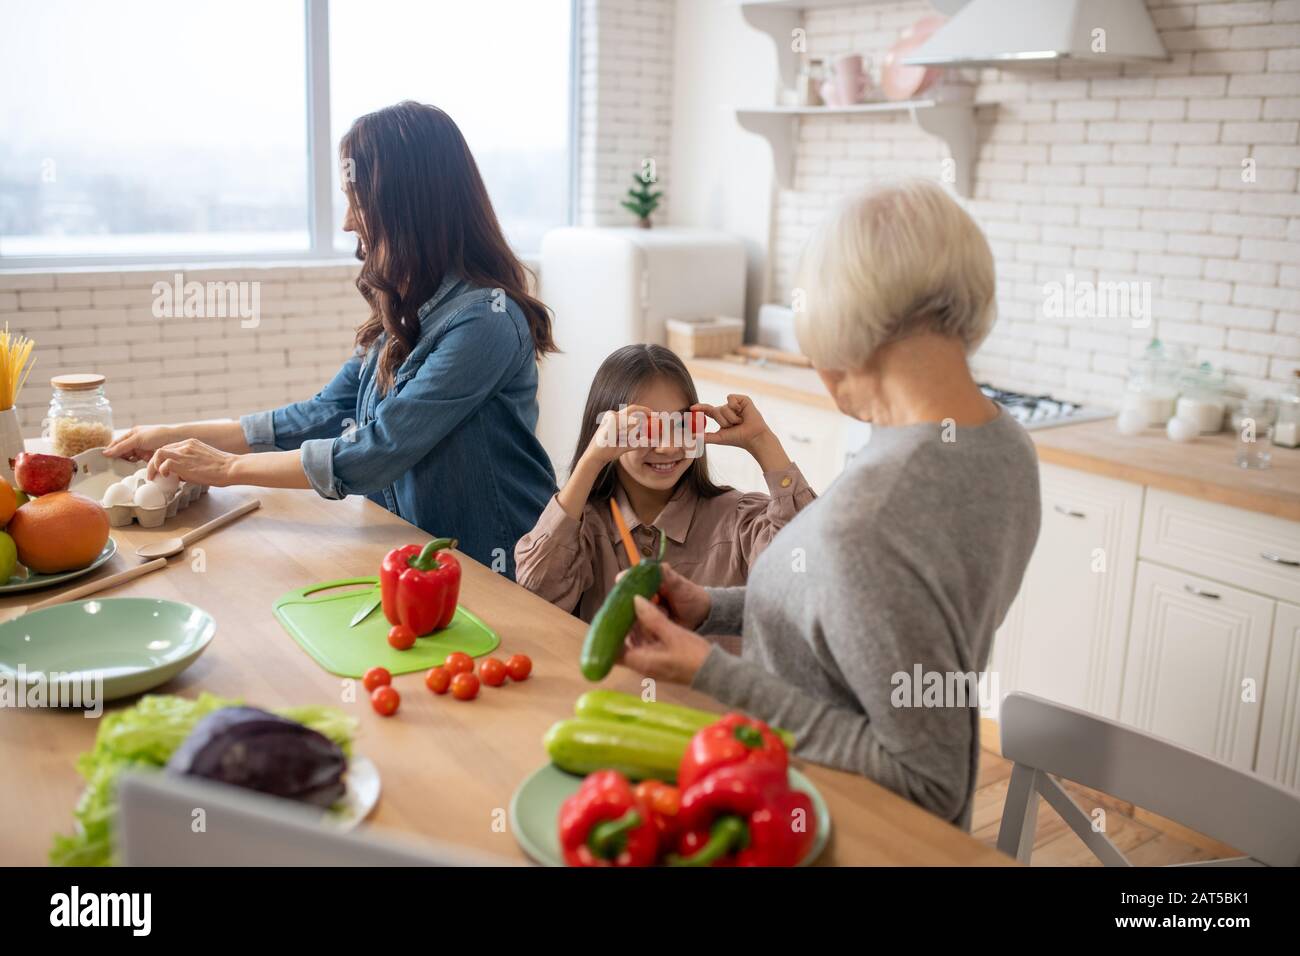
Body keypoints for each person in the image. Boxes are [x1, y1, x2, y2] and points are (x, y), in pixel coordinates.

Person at [618, 180, 1042, 828]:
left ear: (842, 332)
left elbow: (929, 782)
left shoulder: (874, 515)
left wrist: (709, 672)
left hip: (832, 820)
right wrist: (716, 609)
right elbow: (871, 617)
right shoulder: (1006, 446)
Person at [105, 102, 557, 577]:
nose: (346, 221)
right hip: (424, 556)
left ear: (406, 204)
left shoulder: (484, 322)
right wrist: (176, 435)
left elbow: (376, 451)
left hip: (498, 564)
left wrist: (224, 469)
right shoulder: (409, 307)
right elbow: (326, 412)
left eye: (356, 200)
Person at [515, 344, 814, 622]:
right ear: (607, 432)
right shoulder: (584, 527)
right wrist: (591, 461)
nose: (669, 447)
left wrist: (762, 442)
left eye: (683, 425)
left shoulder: (737, 521)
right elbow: (535, 593)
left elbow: (811, 574)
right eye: (644, 429)